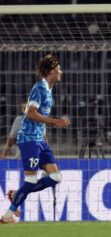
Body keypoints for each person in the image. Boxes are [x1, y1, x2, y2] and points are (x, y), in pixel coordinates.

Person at [0, 55, 70, 224]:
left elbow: (40, 116)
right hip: (29, 139)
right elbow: (30, 113)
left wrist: (45, 137)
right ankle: (7, 217)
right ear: (52, 71)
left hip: (40, 140)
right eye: (58, 69)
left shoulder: (49, 90)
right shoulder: (39, 88)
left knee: (56, 177)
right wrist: (56, 121)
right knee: (31, 179)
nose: (60, 71)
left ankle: (17, 195)